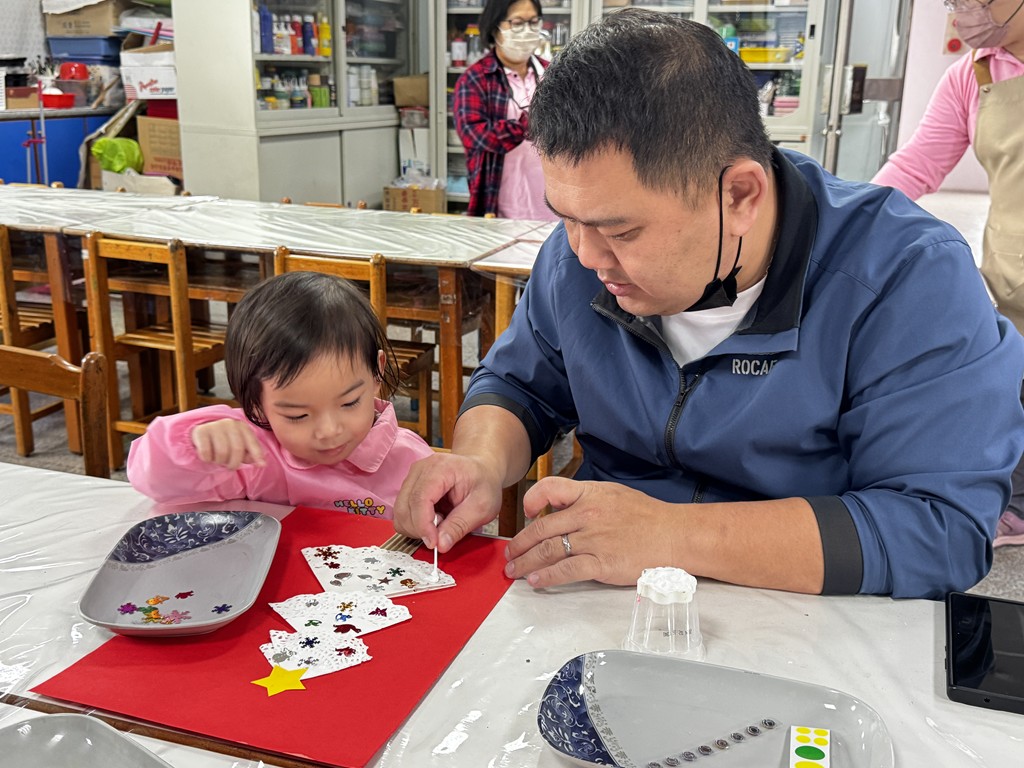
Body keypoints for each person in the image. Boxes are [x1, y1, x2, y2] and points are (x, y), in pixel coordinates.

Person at [394, 8, 1024, 600]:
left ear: (741, 194)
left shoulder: (906, 278)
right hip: (604, 597)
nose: (585, 256)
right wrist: (478, 460)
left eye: (622, 231)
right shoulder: (577, 253)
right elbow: (518, 384)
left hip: (804, 611)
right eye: (566, 218)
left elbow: (939, 527)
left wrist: (672, 536)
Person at [872, 0, 1024, 548]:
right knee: (1012, 389)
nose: (961, 14)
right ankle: (1014, 506)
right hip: (1013, 274)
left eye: (972, 1)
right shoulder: (973, 76)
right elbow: (916, 165)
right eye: (952, 2)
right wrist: (844, 223)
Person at [127, 271, 434, 516]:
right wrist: (194, 444)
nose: (329, 431)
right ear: (256, 406)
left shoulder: (411, 461)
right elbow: (152, 480)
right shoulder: (256, 456)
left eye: (349, 402)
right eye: (298, 415)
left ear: (377, 371)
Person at [453, 0, 557, 220]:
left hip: (555, 204)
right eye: (517, 23)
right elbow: (474, 134)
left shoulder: (553, 74)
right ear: (495, 28)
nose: (527, 30)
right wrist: (527, 125)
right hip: (502, 205)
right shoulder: (476, 79)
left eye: (533, 22)